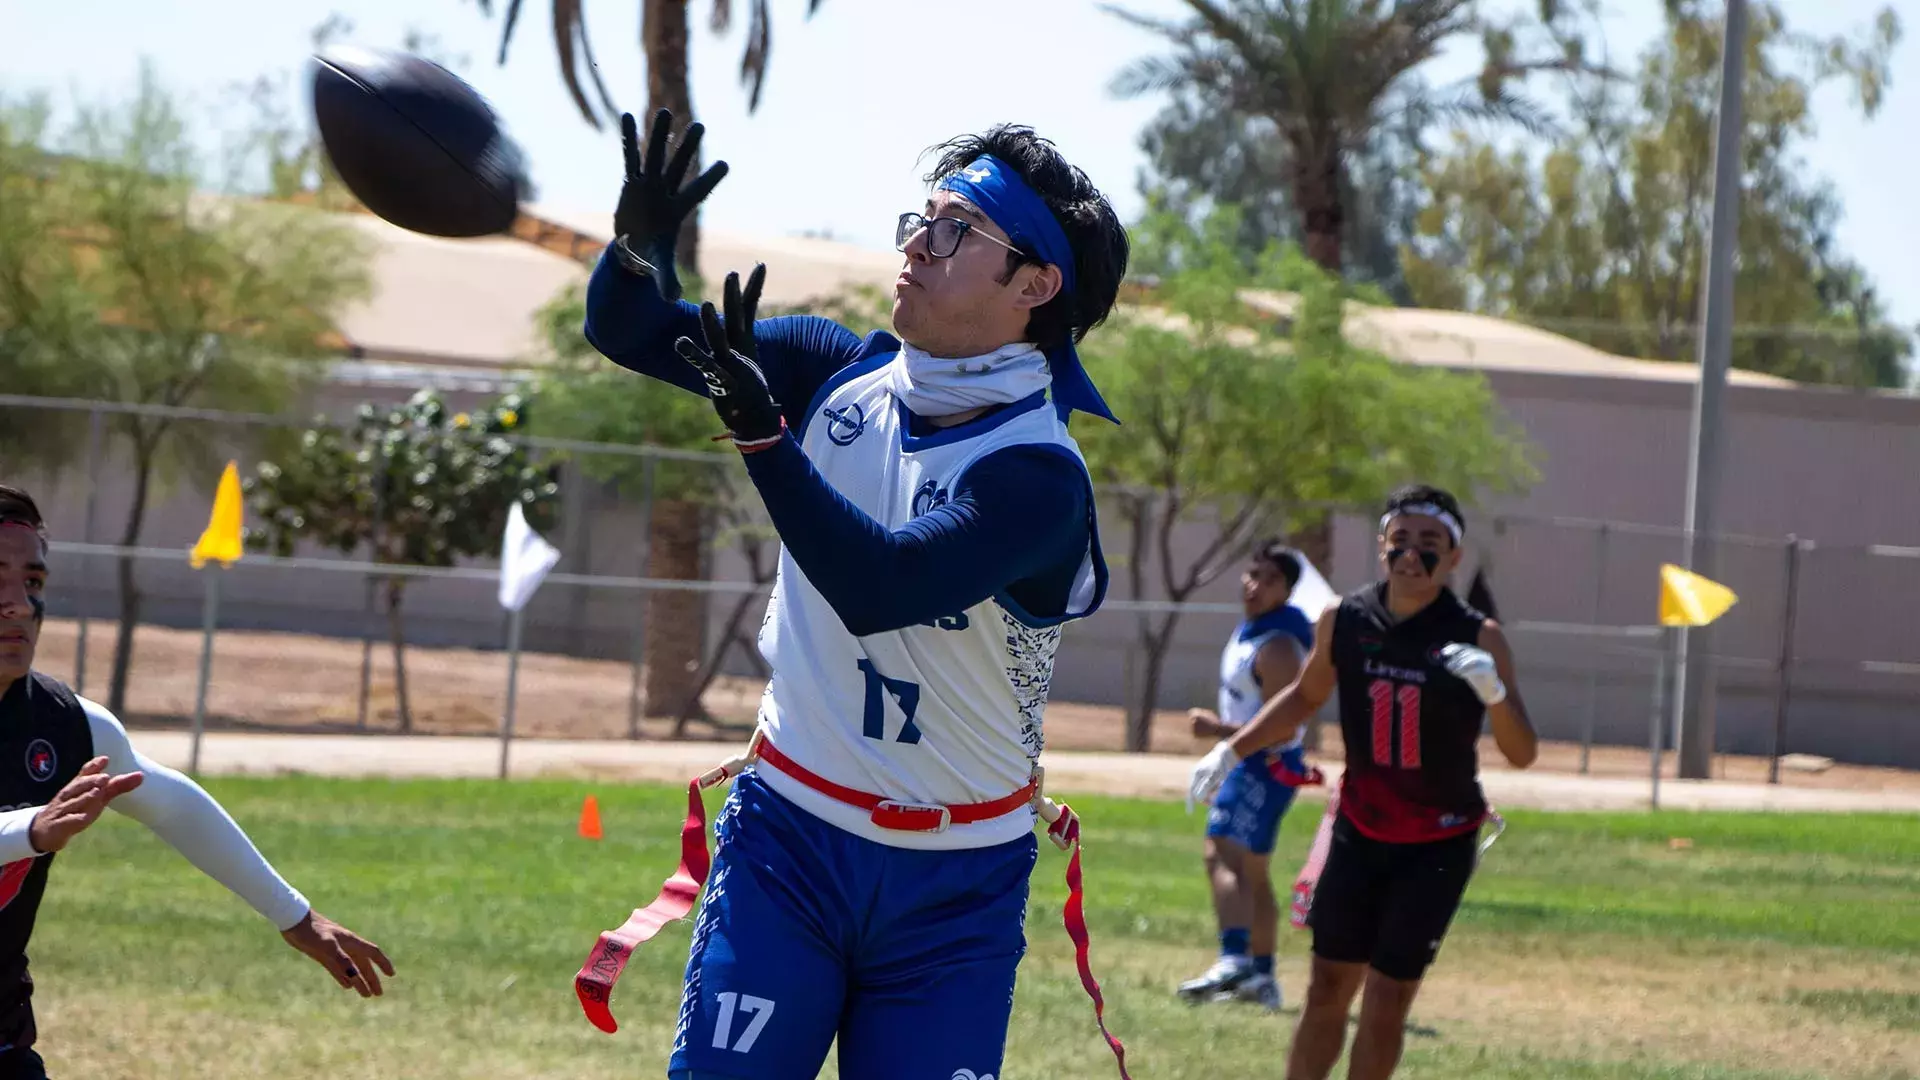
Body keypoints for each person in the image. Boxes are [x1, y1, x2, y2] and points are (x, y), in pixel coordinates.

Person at [575, 110, 1129, 1079]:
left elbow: (883, 583)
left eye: (959, 231)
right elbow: (627, 328)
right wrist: (636, 245)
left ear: (1036, 285)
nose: (918, 242)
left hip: (957, 887)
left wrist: (763, 441)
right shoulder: (834, 371)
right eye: (922, 217)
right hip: (789, 840)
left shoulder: (1040, 476)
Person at [0, 484, 393, 1080]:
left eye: (32, 582)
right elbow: (29, 829)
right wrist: (31, 827)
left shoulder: (67, 723)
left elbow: (169, 803)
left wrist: (295, 915)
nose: (20, 605)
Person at [1187, 484, 1538, 1080]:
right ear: (1381, 546)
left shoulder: (1479, 635)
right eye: (1399, 539)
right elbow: (1303, 697)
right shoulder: (1345, 618)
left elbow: (1522, 752)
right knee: (1327, 984)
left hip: (1436, 842)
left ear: (1453, 556)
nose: (1411, 554)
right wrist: (1230, 749)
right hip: (1360, 831)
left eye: (1429, 543)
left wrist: (1495, 695)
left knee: (1386, 1000)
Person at [1177, 541, 1315, 1011]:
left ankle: (1234, 959)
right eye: (1251, 573)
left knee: (1220, 853)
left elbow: (1285, 727)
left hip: (1262, 764)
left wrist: (1217, 732)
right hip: (1252, 761)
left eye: (1270, 579)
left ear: (1288, 590)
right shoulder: (1254, 630)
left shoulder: (1278, 646)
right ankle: (1262, 977)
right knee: (1253, 870)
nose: (1255, 585)